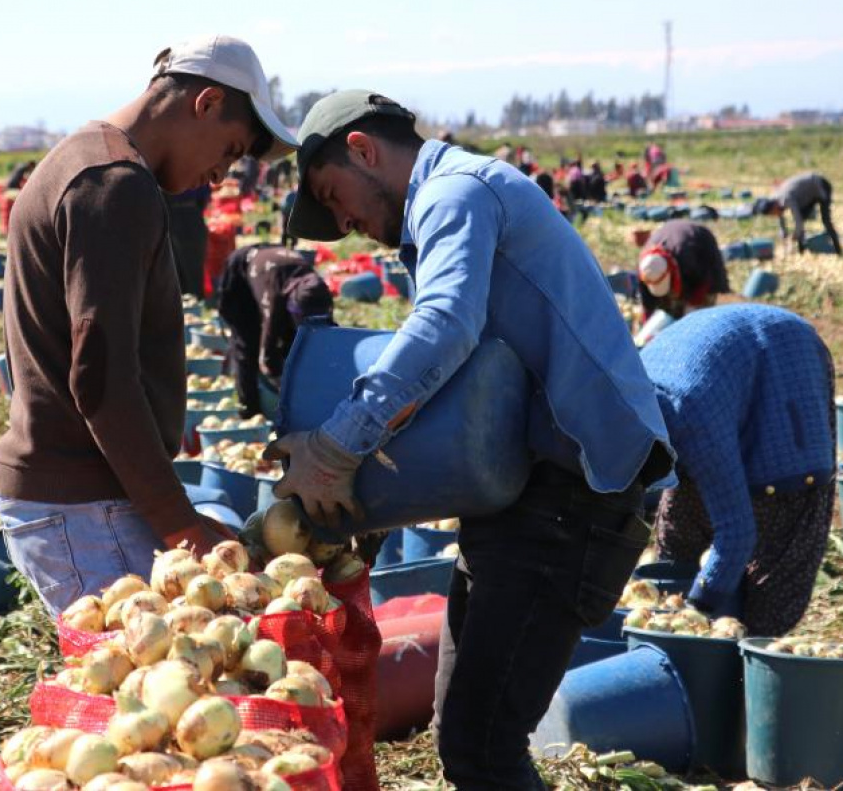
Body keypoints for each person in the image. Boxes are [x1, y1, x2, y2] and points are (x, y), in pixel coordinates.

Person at [275, 90, 672, 789]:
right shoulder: (448, 204)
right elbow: (464, 396)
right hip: (529, 499)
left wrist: (336, 447)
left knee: (481, 745)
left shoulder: (454, 194)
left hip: (571, 499)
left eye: (336, 196)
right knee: (467, 731)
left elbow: (444, 328)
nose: (346, 221)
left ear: (364, 150)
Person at [0, 35, 295, 615]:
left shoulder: (88, 159)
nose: (219, 175)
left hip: (84, 495)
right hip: (82, 500)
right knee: (140, 696)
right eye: (229, 150)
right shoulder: (115, 185)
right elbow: (101, 378)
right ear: (204, 104)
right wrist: (180, 524)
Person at [642, 305, 834, 636]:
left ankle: (743, 676)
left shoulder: (687, 415)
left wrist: (694, 611)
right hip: (718, 385)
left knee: (769, 595)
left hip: (786, 387)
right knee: (677, 544)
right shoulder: (628, 403)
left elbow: (737, 533)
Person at [218, 245, 333, 418]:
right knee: (247, 344)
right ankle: (249, 410)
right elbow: (267, 358)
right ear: (293, 309)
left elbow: (329, 341)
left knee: (293, 342)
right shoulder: (274, 301)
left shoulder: (320, 293)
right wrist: (284, 390)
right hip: (242, 270)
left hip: (273, 265)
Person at [637, 220, 730, 320]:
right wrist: (646, 322)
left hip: (701, 242)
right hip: (672, 236)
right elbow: (646, 303)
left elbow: (702, 281)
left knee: (708, 298)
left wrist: (692, 312)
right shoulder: (645, 267)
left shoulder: (687, 256)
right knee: (670, 308)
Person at [755, 172, 841, 255]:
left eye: (773, 213)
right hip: (808, 193)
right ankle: (802, 250)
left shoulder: (787, 199)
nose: (775, 215)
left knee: (826, 219)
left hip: (821, 185)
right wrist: (784, 233)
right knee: (803, 218)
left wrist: (794, 236)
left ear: (774, 207)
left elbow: (798, 221)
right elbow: (780, 218)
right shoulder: (775, 199)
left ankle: (837, 248)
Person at [165, 184, 212, 298]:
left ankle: (194, 298)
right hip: (182, 214)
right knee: (178, 261)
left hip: (185, 214)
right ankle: (187, 297)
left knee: (190, 261)